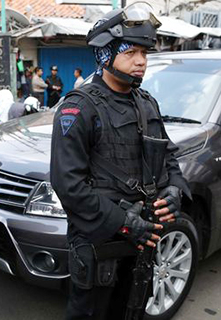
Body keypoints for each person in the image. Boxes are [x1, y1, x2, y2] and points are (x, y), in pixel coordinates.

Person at [50, 3, 190, 319]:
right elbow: (67, 184)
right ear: (104, 55)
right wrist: (126, 224)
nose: (141, 62)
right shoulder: (79, 108)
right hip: (101, 247)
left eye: (145, 53)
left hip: (142, 245)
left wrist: (175, 191)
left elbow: (168, 156)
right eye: (131, 53)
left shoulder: (146, 102)